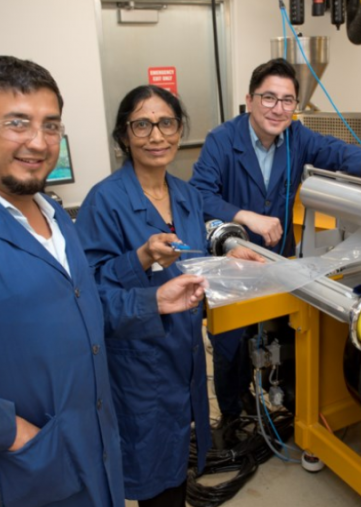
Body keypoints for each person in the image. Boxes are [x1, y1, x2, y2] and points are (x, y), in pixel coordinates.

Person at [0, 56, 206, 507]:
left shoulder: (54, 215)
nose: (38, 142)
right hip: (26, 470)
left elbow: (86, 306)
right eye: (17, 124)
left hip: (93, 450)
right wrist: (9, 432)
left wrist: (152, 302)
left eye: (51, 126)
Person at [189, 58, 361, 425]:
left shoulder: (297, 137)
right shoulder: (222, 140)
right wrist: (245, 217)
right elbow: (198, 194)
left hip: (279, 259)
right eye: (268, 98)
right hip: (233, 259)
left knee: (272, 335)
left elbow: (337, 151)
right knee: (231, 344)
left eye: (287, 100)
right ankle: (234, 417)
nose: (277, 109)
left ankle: (272, 399)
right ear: (249, 99)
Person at [75, 84, 263, 507]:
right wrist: (140, 257)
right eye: (142, 124)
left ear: (179, 131)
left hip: (187, 354)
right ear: (124, 135)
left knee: (177, 464)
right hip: (139, 363)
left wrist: (229, 250)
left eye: (166, 123)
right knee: (153, 476)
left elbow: (195, 248)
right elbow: (89, 290)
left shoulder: (185, 194)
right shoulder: (104, 201)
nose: (156, 136)